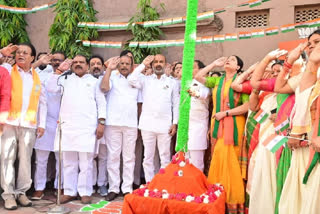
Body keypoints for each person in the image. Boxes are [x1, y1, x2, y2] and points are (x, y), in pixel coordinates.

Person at [46, 54, 106, 204]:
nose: (78, 64)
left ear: (87, 66)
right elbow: (50, 87)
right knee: (68, 162)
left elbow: (101, 103)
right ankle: (70, 191)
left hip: (87, 128)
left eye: (82, 62)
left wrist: (101, 123)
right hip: (68, 127)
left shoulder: (94, 81)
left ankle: (85, 191)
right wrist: (60, 70)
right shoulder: (65, 80)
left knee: (86, 163)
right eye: (76, 62)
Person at [195, 55, 249, 214]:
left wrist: (226, 113)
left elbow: (247, 106)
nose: (228, 61)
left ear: (238, 67)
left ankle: (232, 200)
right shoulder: (218, 81)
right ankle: (218, 198)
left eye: (233, 60)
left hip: (233, 124)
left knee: (231, 161)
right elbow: (198, 77)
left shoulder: (241, 82)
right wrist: (213, 63)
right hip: (218, 124)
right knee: (218, 158)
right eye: (228, 59)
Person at [0, 43, 46, 210]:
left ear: (32, 57)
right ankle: (8, 195)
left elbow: (43, 102)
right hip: (8, 122)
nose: (20, 55)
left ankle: (21, 193)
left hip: (28, 124)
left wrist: (41, 124)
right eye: (18, 52)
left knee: (25, 160)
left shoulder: (37, 76)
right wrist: (1, 53)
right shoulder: (6, 69)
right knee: (6, 158)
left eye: (25, 53)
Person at [128, 54, 179, 183]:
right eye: (155, 62)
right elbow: (131, 79)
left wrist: (175, 123)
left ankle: (163, 185)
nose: (158, 64)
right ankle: (150, 185)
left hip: (165, 125)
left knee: (165, 157)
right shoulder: (146, 80)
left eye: (161, 61)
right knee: (148, 157)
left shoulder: (171, 82)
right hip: (147, 124)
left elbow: (176, 103)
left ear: (166, 64)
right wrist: (143, 65)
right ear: (152, 65)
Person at [100, 53, 141, 201]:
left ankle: (127, 188)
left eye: (127, 64)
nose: (124, 66)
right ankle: (113, 188)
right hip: (113, 123)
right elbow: (104, 88)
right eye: (121, 63)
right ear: (118, 65)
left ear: (132, 66)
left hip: (131, 124)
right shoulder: (111, 77)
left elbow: (139, 104)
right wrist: (109, 70)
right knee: (113, 156)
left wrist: (139, 124)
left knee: (129, 157)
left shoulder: (136, 80)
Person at [32, 51, 67, 200]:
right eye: (54, 60)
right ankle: (39, 188)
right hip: (44, 122)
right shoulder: (41, 75)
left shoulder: (69, 78)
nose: (57, 62)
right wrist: (40, 62)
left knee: (61, 158)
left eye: (60, 60)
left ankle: (59, 186)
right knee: (41, 159)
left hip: (63, 123)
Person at [186, 60, 210, 171]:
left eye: (193, 67)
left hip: (198, 128)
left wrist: (195, 93)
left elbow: (203, 94)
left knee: (196, 163)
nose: (190, 69)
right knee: (184, 163)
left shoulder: (205, 85)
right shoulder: (185, 83)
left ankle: (197, 187)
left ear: (200, 70)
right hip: (185, 127)